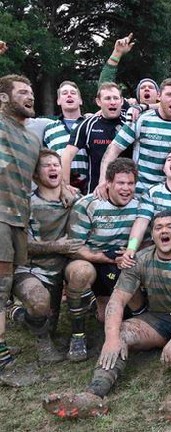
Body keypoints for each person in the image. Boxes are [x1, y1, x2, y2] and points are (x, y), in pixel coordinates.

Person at [43, 211, 171, 424]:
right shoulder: (140, 259)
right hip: (157, 321)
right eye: (158, 227)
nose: (164, 231)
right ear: (152, 233)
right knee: (121, 332)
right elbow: (117, 301)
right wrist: (112, 338)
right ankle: (94, 394)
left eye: (170, 226)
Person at [64, 158, 140, 362]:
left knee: (105, 317)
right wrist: (103, 257)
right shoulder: (87, 205)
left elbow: (147, 240)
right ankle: (77, 334)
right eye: (120, 183)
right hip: (89, 260)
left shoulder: (139, 205)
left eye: (130, 183)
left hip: (119, 264)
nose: (126, 188)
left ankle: (99, 304)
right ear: (108, 183)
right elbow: (73, 247)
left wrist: (128, 254)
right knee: (80, 273)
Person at [9, 150, 82, 363]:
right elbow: (19, 245)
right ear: (35, 175)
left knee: (47, 322)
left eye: (56, 165)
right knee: (40, 304)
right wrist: (56, 246)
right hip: (29, 269)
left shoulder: (75, 198)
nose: (53, 168)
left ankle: (17, 314)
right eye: (46, 165)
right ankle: (44, 346)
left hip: (58, 273)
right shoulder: (25, 204)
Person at [0, 74, 43, 372]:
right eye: (22, 92)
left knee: (5, 284)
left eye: (31, 92)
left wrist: (66, 189)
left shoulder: (32, 137)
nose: (30, 97)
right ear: (4, 98)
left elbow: (40, 174)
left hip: (19, 219)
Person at [98, 78, 171, 196]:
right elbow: (114, 149)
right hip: (140, 193)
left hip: (170, 195)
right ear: (159, 96)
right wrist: (103, 180)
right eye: (169, 95)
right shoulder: (140, 120)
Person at [61, 82, 125, 194]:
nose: (112, 102)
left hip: (126, 191)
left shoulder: (130, 124)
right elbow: (67, 155)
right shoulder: (87, 126)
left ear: (122, 101)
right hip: (96, 191)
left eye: (116, 98)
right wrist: (65, 186)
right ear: (98, 102)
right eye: (108, 98)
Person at [43, 81, 88, 191]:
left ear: (80, 100)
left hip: (88, 188)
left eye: (73, 93)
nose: (69, 95)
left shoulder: (90, 124)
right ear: (58, 101)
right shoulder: (49, 129)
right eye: (64, 93)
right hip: (58, 188)